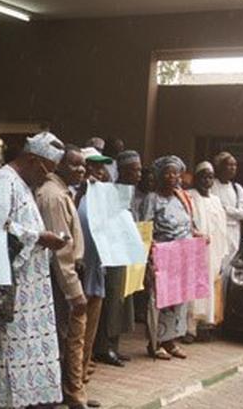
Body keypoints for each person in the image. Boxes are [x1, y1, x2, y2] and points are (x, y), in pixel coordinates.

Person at [0, 132, 68, 409]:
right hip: (10, 290)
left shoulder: (23, 184)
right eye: (48, 172)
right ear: (35, 161)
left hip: (31, 293)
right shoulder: (0, 181)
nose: (47, 178)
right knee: (6, 357)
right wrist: (38, 238)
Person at [36, 144, 97, 409]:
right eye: (74, 164)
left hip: (66, 274)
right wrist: (74, 291)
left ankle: (70, 393)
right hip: (58, 279)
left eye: (83, 165)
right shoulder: (54, 196)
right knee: (62, 339)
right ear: (58, 165)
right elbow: (60, 253)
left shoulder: (63, 192)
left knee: (68, 338)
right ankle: (62, 396)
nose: (81, 169)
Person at [140, 155, 196, 361]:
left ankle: (171, 341)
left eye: (176, 173)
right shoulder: (152, 199)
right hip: (162, 254)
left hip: (184, 254)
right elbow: (145, 229)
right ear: (159, 175)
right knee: (160, 300)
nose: (172, 176)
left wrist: (198, 235)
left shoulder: (182, 197)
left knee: (179, 300)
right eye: (167, 172)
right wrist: (150, 254)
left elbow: (190, 223)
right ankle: (154, 343)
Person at [92, 151, 141, 368]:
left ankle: (115, 344)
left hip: (125, 252)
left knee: (121, 301)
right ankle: (104, 347)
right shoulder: (109, 191)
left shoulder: (131, 192)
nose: (138, 174)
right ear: (122, 171)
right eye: (134, 170)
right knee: (111, 301)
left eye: (139, 169)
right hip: (110, 253)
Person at [74, 148, 112, 386]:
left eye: (102, 167)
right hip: (78, 271)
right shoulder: (73, 192)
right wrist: (81, 192)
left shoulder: (105, 195)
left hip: (97, 270)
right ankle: (72, 379)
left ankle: (83, 372)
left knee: (90, 329)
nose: (99, 171)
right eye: (94, 166)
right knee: (75, 331)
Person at [188, 162, 229, 337]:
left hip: (213, 252)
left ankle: (204, 326)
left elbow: (222, 229)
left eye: (210, 177)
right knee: (192, 289)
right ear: (197, 178)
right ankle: (189, 329)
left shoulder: (216, 201)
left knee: (209, 289)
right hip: (194, 251)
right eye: (203, 176)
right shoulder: (189, 197)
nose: (207, 180)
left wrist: (221, 254)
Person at [209, 152, 243, 275]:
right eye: (229, 165)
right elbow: (211, 210)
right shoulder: (211, 186)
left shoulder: (237, 188)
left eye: (235, 165)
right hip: (215, 231)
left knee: (228, 269)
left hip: (233, 233)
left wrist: (227, 209)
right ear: (220, 167)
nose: (233, 168)